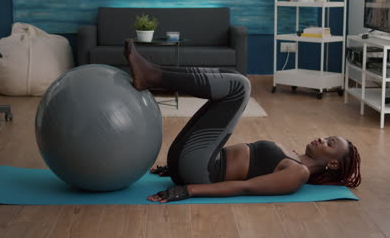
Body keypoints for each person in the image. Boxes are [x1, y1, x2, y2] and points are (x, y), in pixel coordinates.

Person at [123, 39, 361, 203]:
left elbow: (246, 187)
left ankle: (153, 76)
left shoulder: (298, 173)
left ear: (333, 165)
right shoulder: (294, 156)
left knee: (240, 86)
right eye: (328, 137)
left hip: (200, 173)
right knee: (237, 78)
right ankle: (153, 72)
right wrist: (173, 168)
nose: (322, 138)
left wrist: (188, 190)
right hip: (188, 163)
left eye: (329, 144)